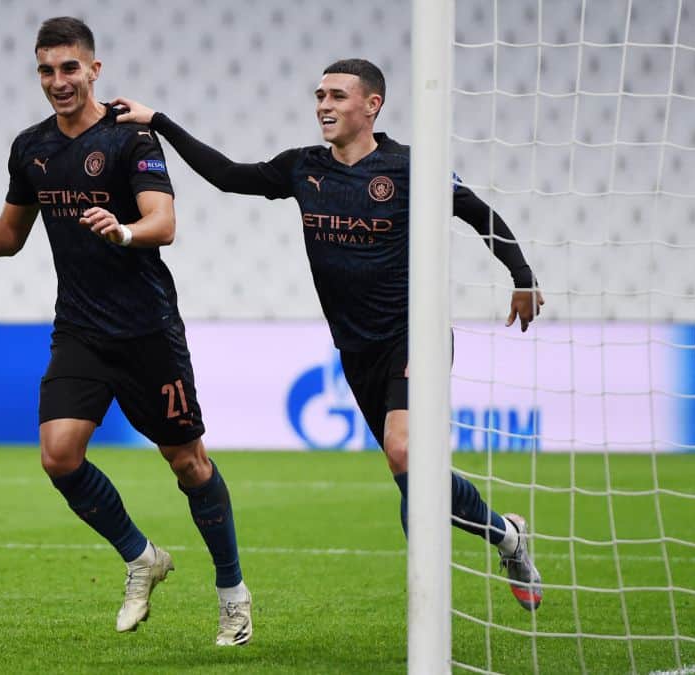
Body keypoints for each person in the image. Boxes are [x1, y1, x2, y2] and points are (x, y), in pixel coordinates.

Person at [113, 58, 546, 611]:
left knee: (403, 452)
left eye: (338, 96)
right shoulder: (303, 167)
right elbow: (227, 175)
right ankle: (508, 536)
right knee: (415, 473)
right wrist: (160, 121)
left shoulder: (410, 168)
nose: (324, 105)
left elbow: (479, 214)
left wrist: (522, 277)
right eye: (320, 95)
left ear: (372, 105)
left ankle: (428, 608)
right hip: (356, 348)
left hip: (415, 335)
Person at [0, 17, 252, 645]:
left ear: (94, 69)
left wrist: (123, 231)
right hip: (80, 330)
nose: (58, 81)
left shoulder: (129, 137)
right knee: (59, 455)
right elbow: (9, 236)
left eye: (69, 68)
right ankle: (142, 557)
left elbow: (163, 221)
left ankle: (232, 593)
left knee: (188, 462)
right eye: (46, 70)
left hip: (148, 330)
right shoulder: (31, 147)